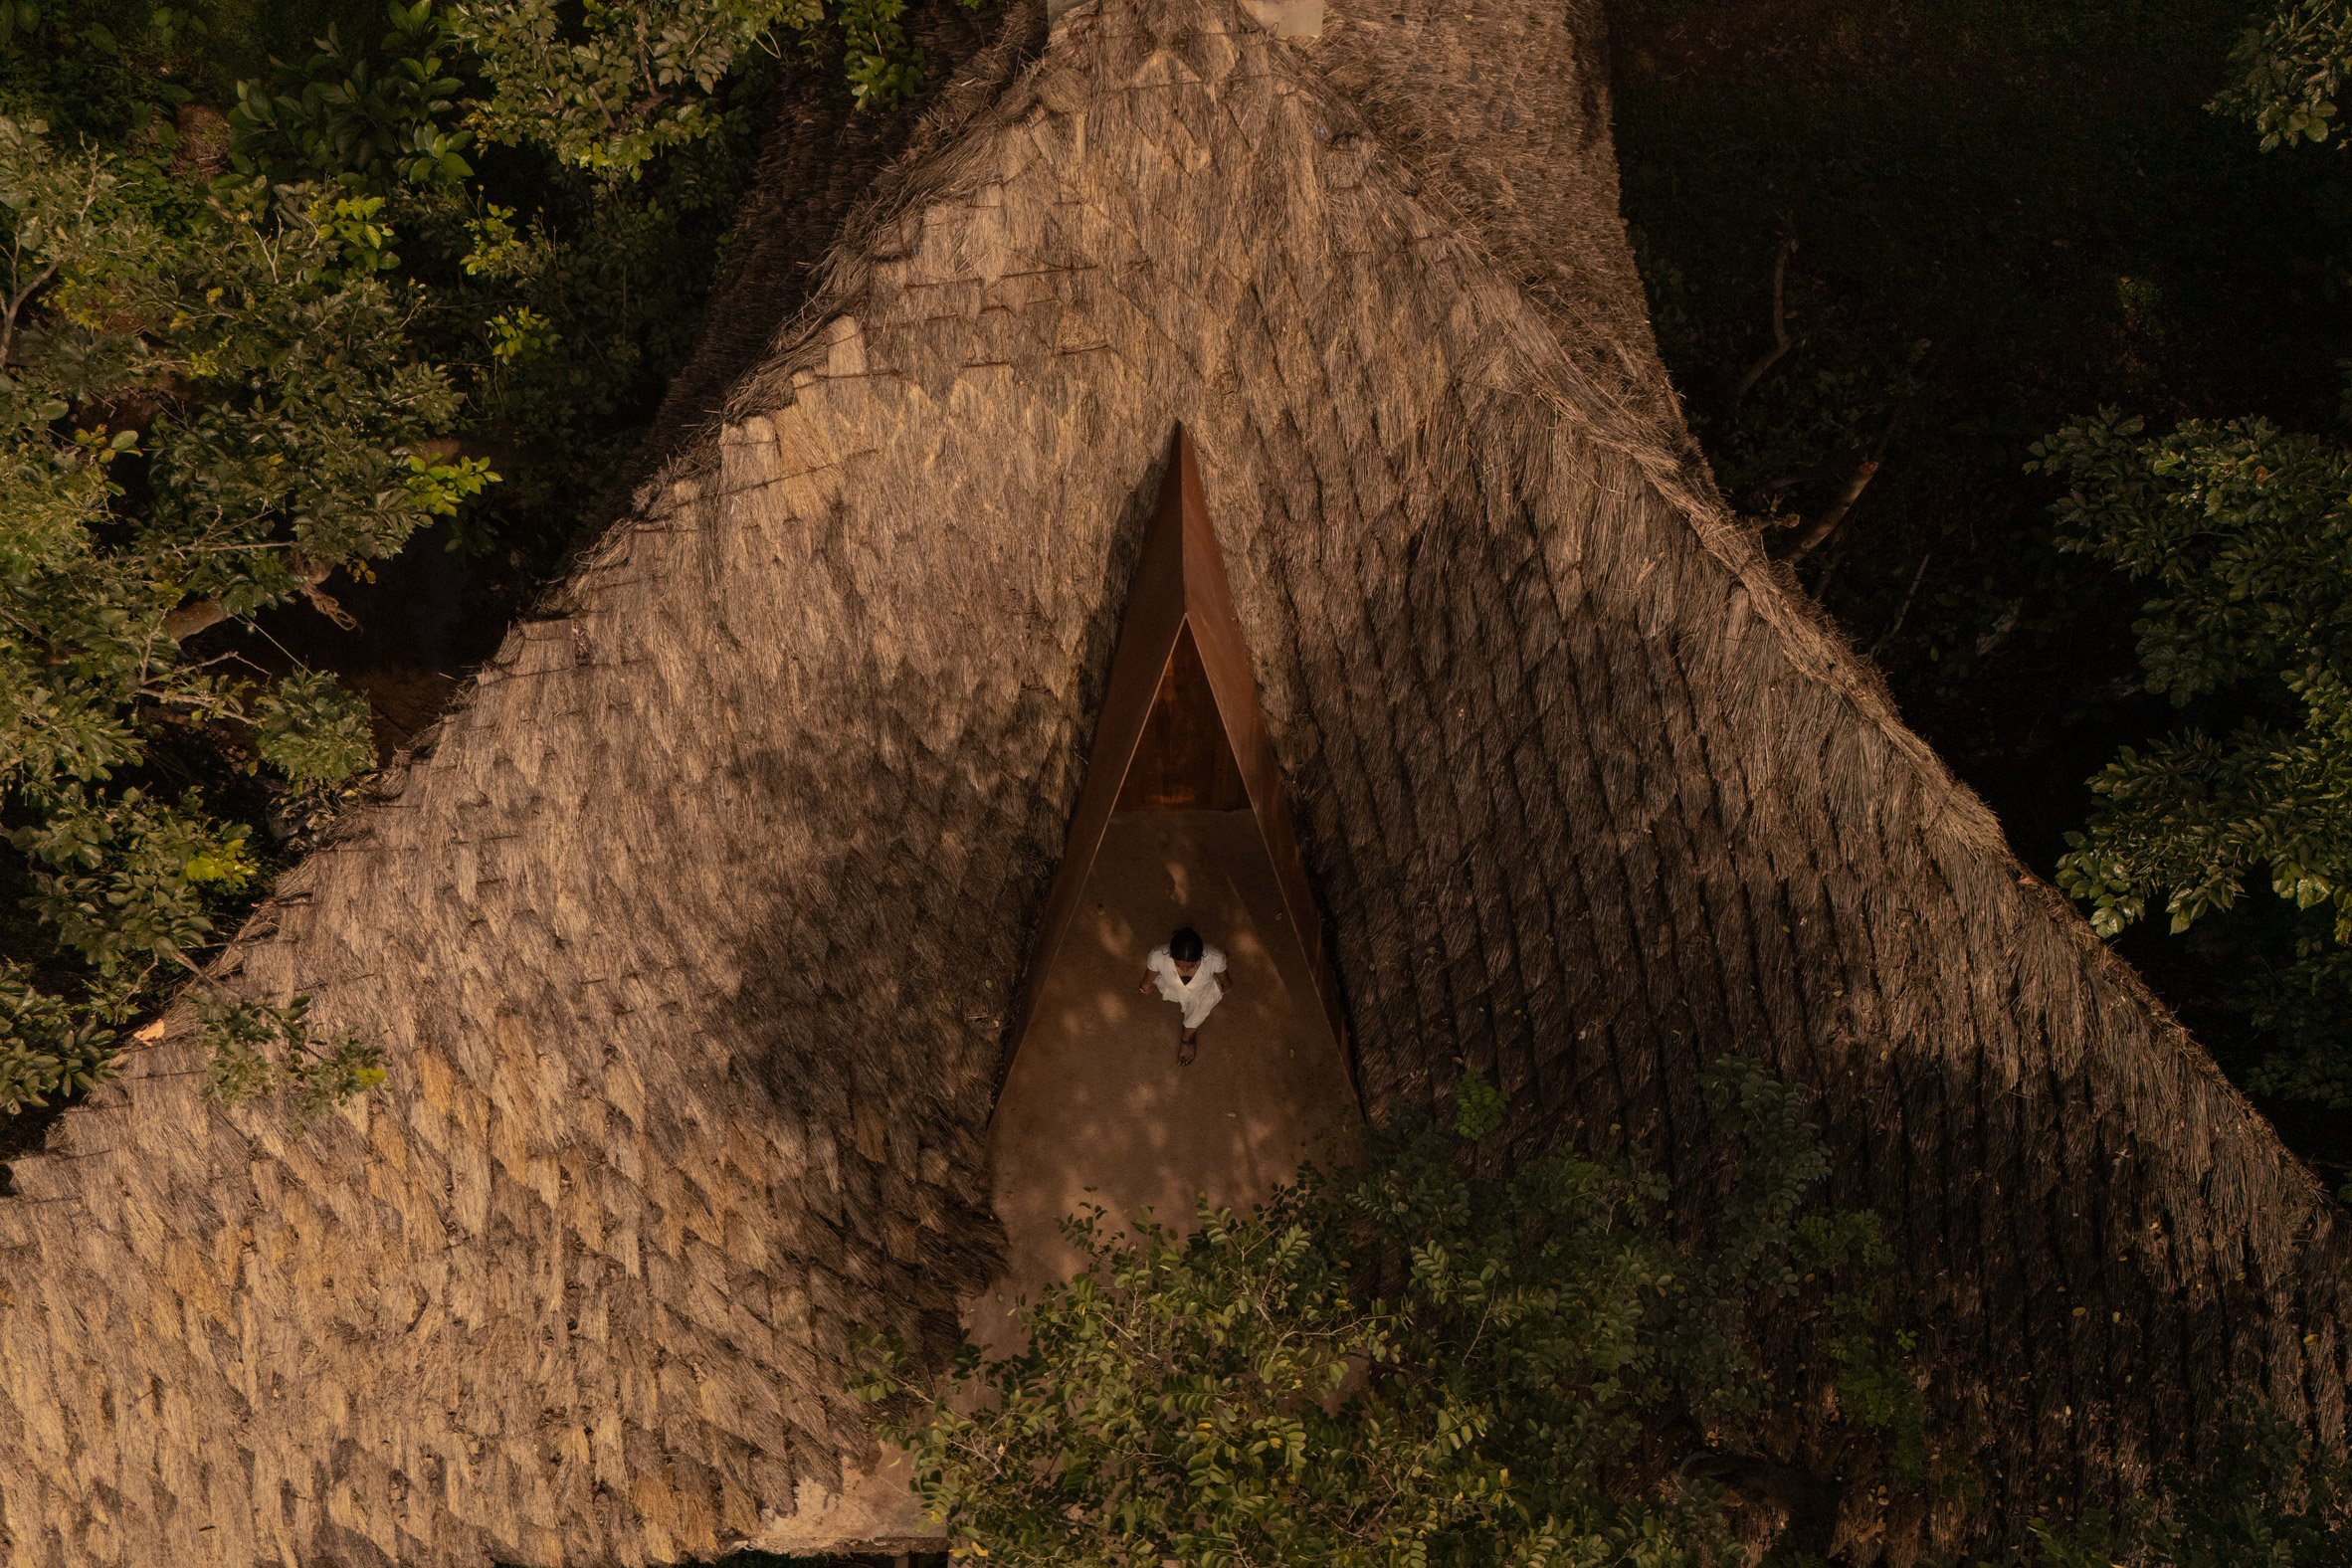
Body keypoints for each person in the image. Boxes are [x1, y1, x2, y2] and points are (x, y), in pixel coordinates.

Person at [1137, 924, 1230, 1066]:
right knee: (1189, 1001)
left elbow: (1225, 982)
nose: (1185, 970)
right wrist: (1145, 987)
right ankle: (1190, 1018)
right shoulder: (1157, 956)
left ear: (1201, 956)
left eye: (1191, 966)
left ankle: (1187, 1038)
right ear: (1170, 954)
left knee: (1200, 1009)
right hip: (1173, 989)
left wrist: (1221, 986)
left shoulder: (1215, 958)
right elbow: (1148, 978)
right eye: (1179, 965)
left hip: (1202, 991)